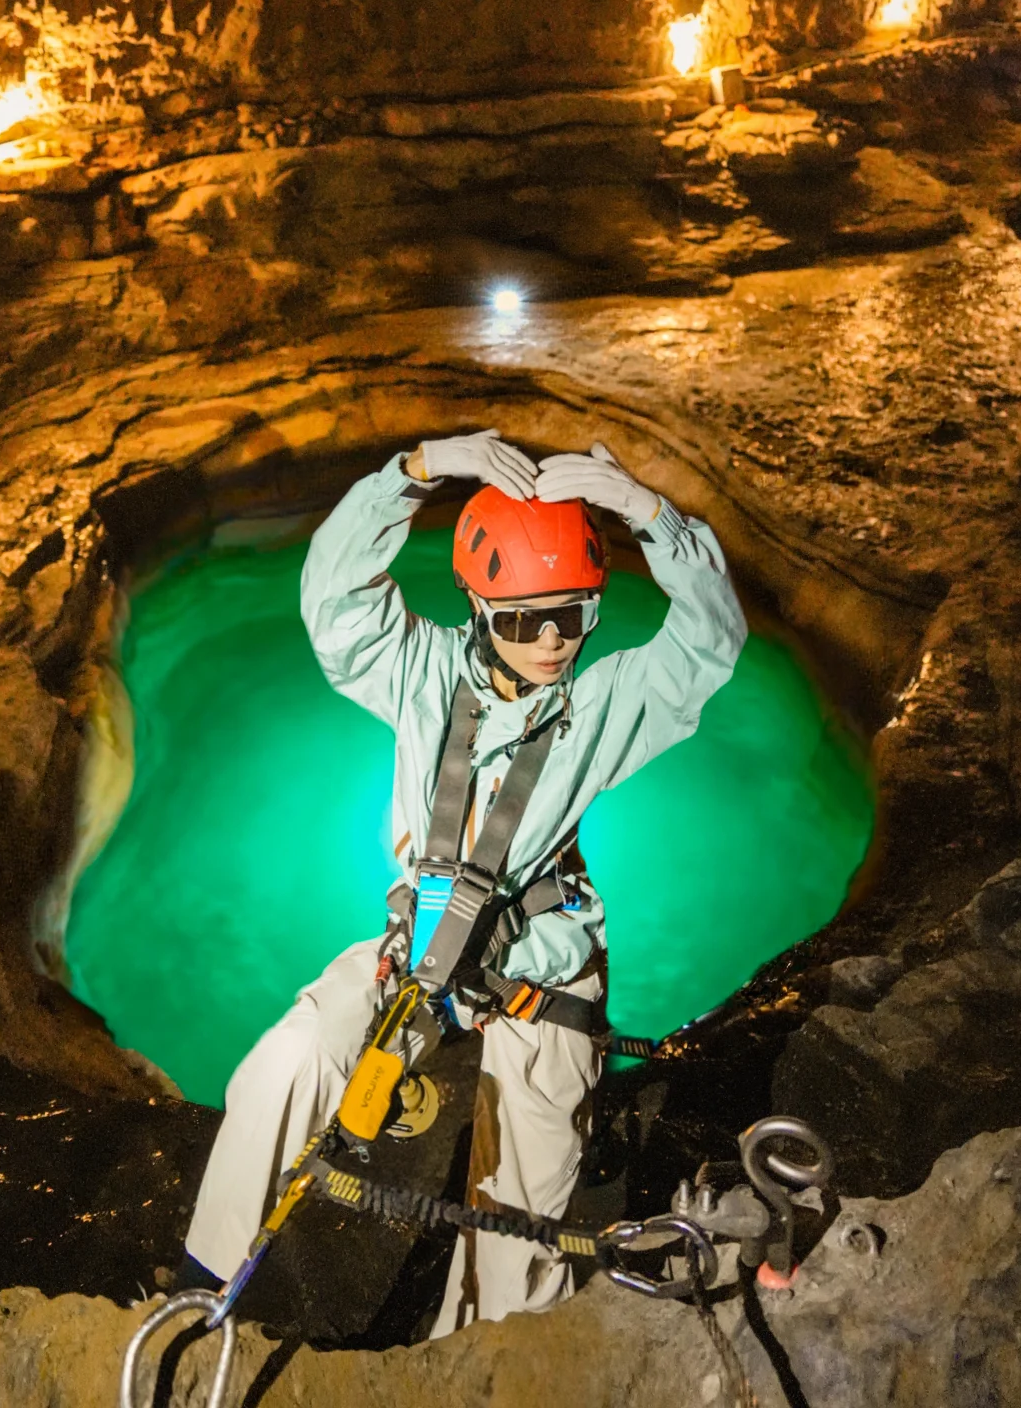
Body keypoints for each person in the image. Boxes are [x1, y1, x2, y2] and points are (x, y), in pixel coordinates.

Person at [178, 429, 748, 1334]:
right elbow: (334, 601)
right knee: (278, 1072)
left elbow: (711, 640)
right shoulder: (422, 672)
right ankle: (198, 1287)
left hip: (538, 982)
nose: (554, 640)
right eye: (525, 619)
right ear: (478, 608)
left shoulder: (601, 709)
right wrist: (415, 471)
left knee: (522, 1229)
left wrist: (649, 514)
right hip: (417, 963)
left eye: (575, 614)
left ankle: (483, 1358)